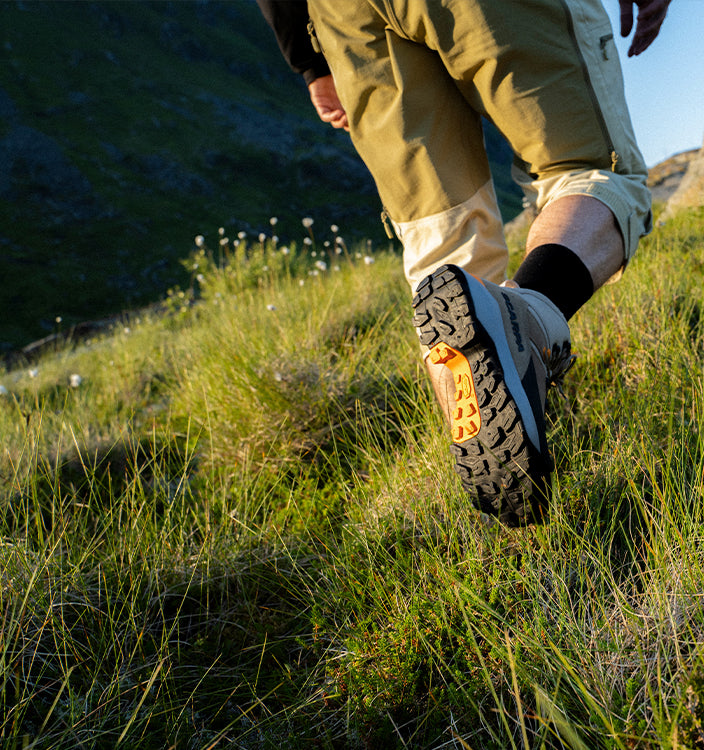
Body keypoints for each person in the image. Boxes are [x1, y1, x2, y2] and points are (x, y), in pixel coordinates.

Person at [258, 0, 669, 526]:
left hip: (342, 15)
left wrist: (310, 61)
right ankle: (530, 319)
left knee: (441, 239)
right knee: (591, 169)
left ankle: (506, 511)